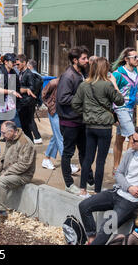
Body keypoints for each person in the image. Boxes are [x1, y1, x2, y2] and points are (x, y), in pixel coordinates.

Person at [71, 57, 124, 198]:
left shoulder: (84, 85)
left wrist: (86, 114)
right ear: (104, 69)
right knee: (101, 160)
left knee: (88, 158)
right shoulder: (107, 85)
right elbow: (120, 101)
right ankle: (97, 191)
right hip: (104, 127)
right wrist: (114, 84)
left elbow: (75, 104)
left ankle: (82, 189)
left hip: (90, 126)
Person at [56, 46, 92, 195]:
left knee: (85, 151)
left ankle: (89, 181)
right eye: (83, 58)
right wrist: (83, 99)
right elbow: (63, 98)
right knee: (68, 153)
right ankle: (69, 184)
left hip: (81, 120)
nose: (87, 60)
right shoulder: (68, 76)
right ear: (75, 60)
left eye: (87, 58)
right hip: (69, 121)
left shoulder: (82, 73)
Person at [112, 47, 138, 174]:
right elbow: (110, 87)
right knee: (132, 138)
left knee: (120, 138)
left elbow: (135, 92)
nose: (137, 59)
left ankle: (116, 167)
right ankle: (125, 169)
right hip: (120, 108)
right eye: (135, 57)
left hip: (130, 109)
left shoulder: (135, 73)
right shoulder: (118, 73)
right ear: (126, 59)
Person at [0, 53, 22, 139]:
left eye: (14, 62)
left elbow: (17, 88)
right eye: (12, 62)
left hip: (11, 106)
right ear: (5, 62)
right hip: (0, 106)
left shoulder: (13, 73)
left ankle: (15, 151)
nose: (14, 64)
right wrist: (11, 91)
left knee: (16, 129)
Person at [15, 54, 41, 143]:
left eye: (18, 64)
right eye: (16, 64)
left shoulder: (29, 74)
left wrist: (21, 90)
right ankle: (29, 144)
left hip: (27, 104)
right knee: (24, 126)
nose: (16, 66)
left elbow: (31, 88)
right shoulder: (21, 73)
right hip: (22, 103)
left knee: (26, 126)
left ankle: (30, 144)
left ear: (24, 63)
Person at [41, 77, 62, 170]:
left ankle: (46, 158)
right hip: (55, 112)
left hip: (63, 112)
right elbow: (43, 94)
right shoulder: (54, 82)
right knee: (60, 136)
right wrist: (51, 105)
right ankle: (67, 163)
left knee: (56, 136)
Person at [27, 59, 44, 144]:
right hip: (34, 100)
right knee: (29, 119)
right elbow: (40, 91)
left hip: (29, 100)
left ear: (30, 66)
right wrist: (39, 101)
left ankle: (37, 137)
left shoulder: (30, 75)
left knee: (29, 119)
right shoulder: (39, 76)